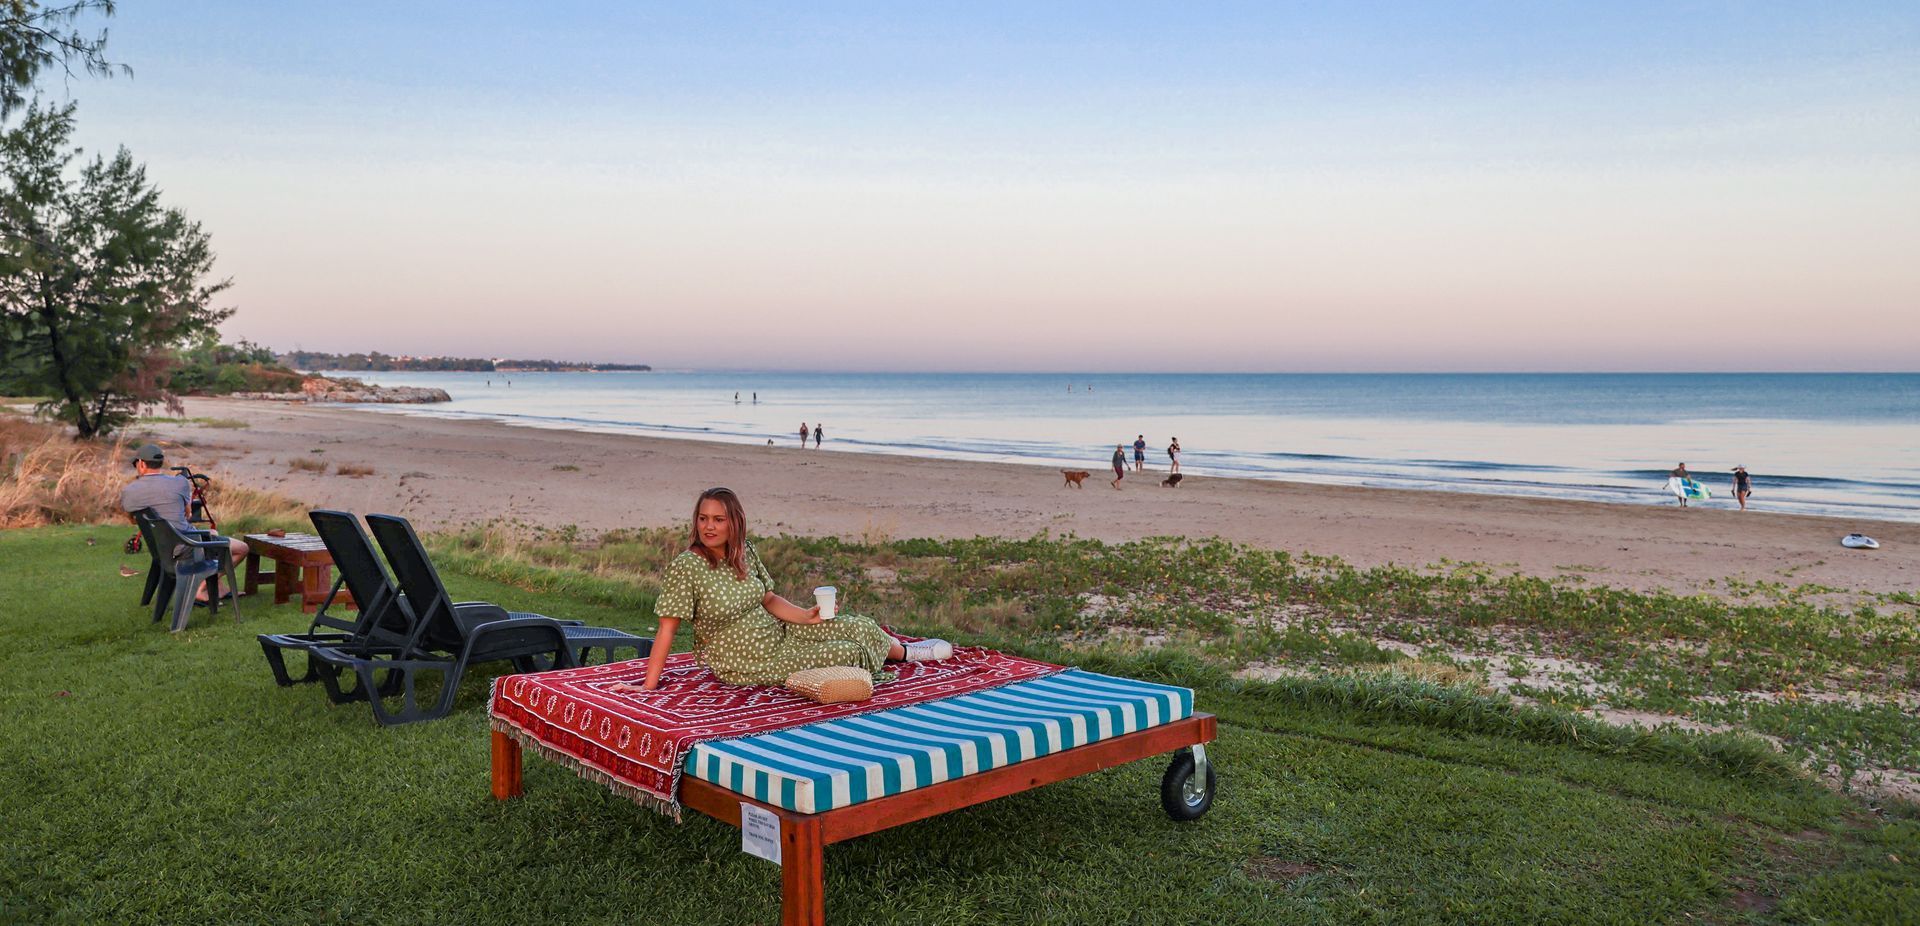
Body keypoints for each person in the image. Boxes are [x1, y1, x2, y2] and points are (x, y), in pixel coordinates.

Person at [640, 488, 951, 690]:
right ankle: (853, 668)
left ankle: (908, 653)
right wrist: (648, 685)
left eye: (718, 519)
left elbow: (769, 598)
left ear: (734, 522)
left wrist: (807, 617)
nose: (709, 526)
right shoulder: (687, 566)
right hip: (744, 661)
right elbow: (667, 629)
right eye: (703, 518)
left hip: (779, 633)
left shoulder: (744, 551)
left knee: (855, 625)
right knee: (847, 651)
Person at [120, 444, 248, 602]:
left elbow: (133, 519)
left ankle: (217, 588)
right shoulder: (179, 483)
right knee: (242, 548)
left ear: (141, 463)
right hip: (187, 547)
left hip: (162, 551)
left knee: (212, 536)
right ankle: (201, 588)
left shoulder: (129, 491)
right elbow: (187, 514)